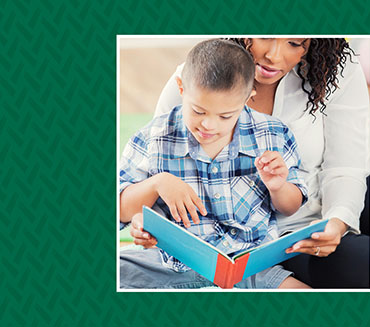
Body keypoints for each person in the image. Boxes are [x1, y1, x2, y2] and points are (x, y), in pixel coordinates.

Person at [150, 38, 370, 288]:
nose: (274, 56)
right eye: (265, 37)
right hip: (282, 236)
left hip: (323, 206)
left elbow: (345, 168)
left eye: (294, 43)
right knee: (366, 265)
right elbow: (157, 174)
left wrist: (337, 222)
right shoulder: (195, 81)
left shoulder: (337, 70)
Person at [119, 39, 310, 289]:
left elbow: (291, 206)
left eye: (225, 116)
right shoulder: (154, 136)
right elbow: (121, 209)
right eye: (198, 111)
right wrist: (157, 184)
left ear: (247, 99)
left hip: (248, 267)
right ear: (181, 88)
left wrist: (278, 186)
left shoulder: (272, 134)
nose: (209, 125)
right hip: (165, 264)